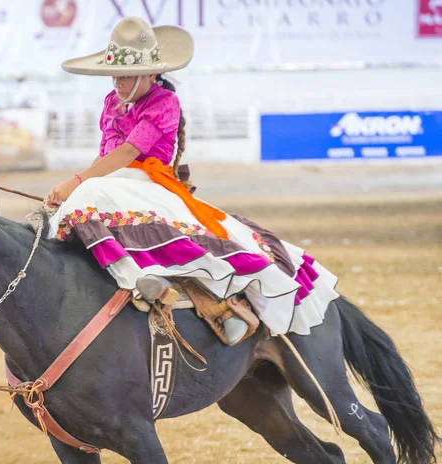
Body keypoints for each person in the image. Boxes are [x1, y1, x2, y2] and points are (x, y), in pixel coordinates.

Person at [46, 17, 339, 344]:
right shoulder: (111, 103)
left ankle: (211, 303)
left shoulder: (164, 103)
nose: (118, 82)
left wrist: (75, 183)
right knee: (82, 200)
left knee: (93, 197)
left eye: (126, 75)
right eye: (114, 74)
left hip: (147, 184)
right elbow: (107, 156)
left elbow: (128, 152)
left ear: (151, 74)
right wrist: (78, 186)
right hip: (112, 183)